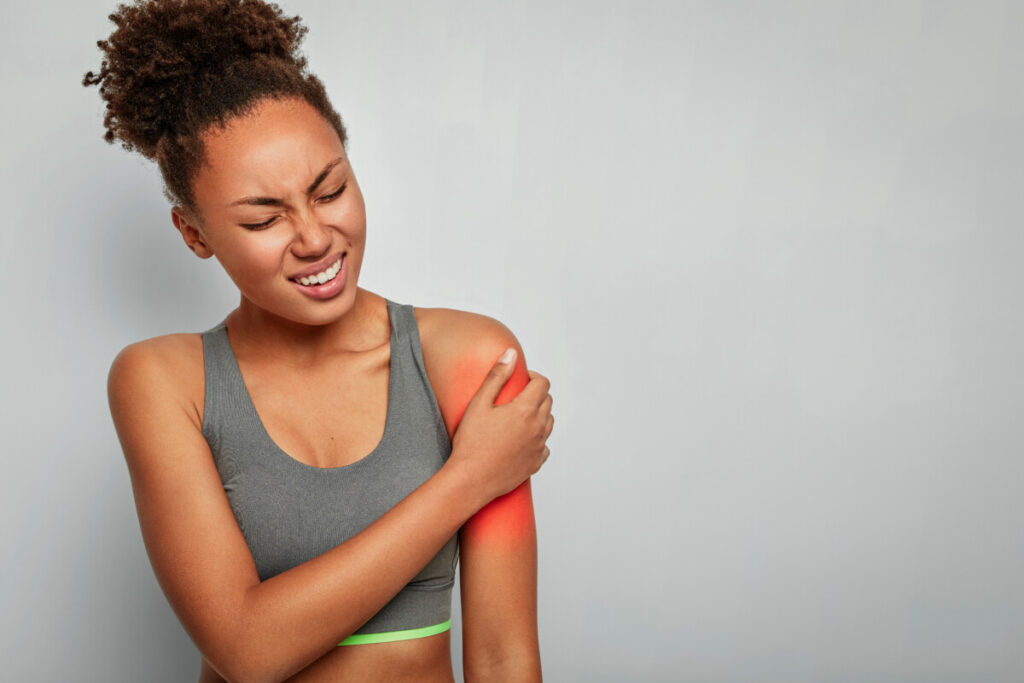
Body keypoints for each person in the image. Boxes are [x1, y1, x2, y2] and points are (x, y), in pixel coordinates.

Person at [85, 1, 555, 681]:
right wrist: (467, 480)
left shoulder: (471, 360)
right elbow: (246, 648)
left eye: (329, 190)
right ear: (194, 234)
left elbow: (504, 657)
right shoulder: (164, 381)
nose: (313, 237)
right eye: (264, 218)